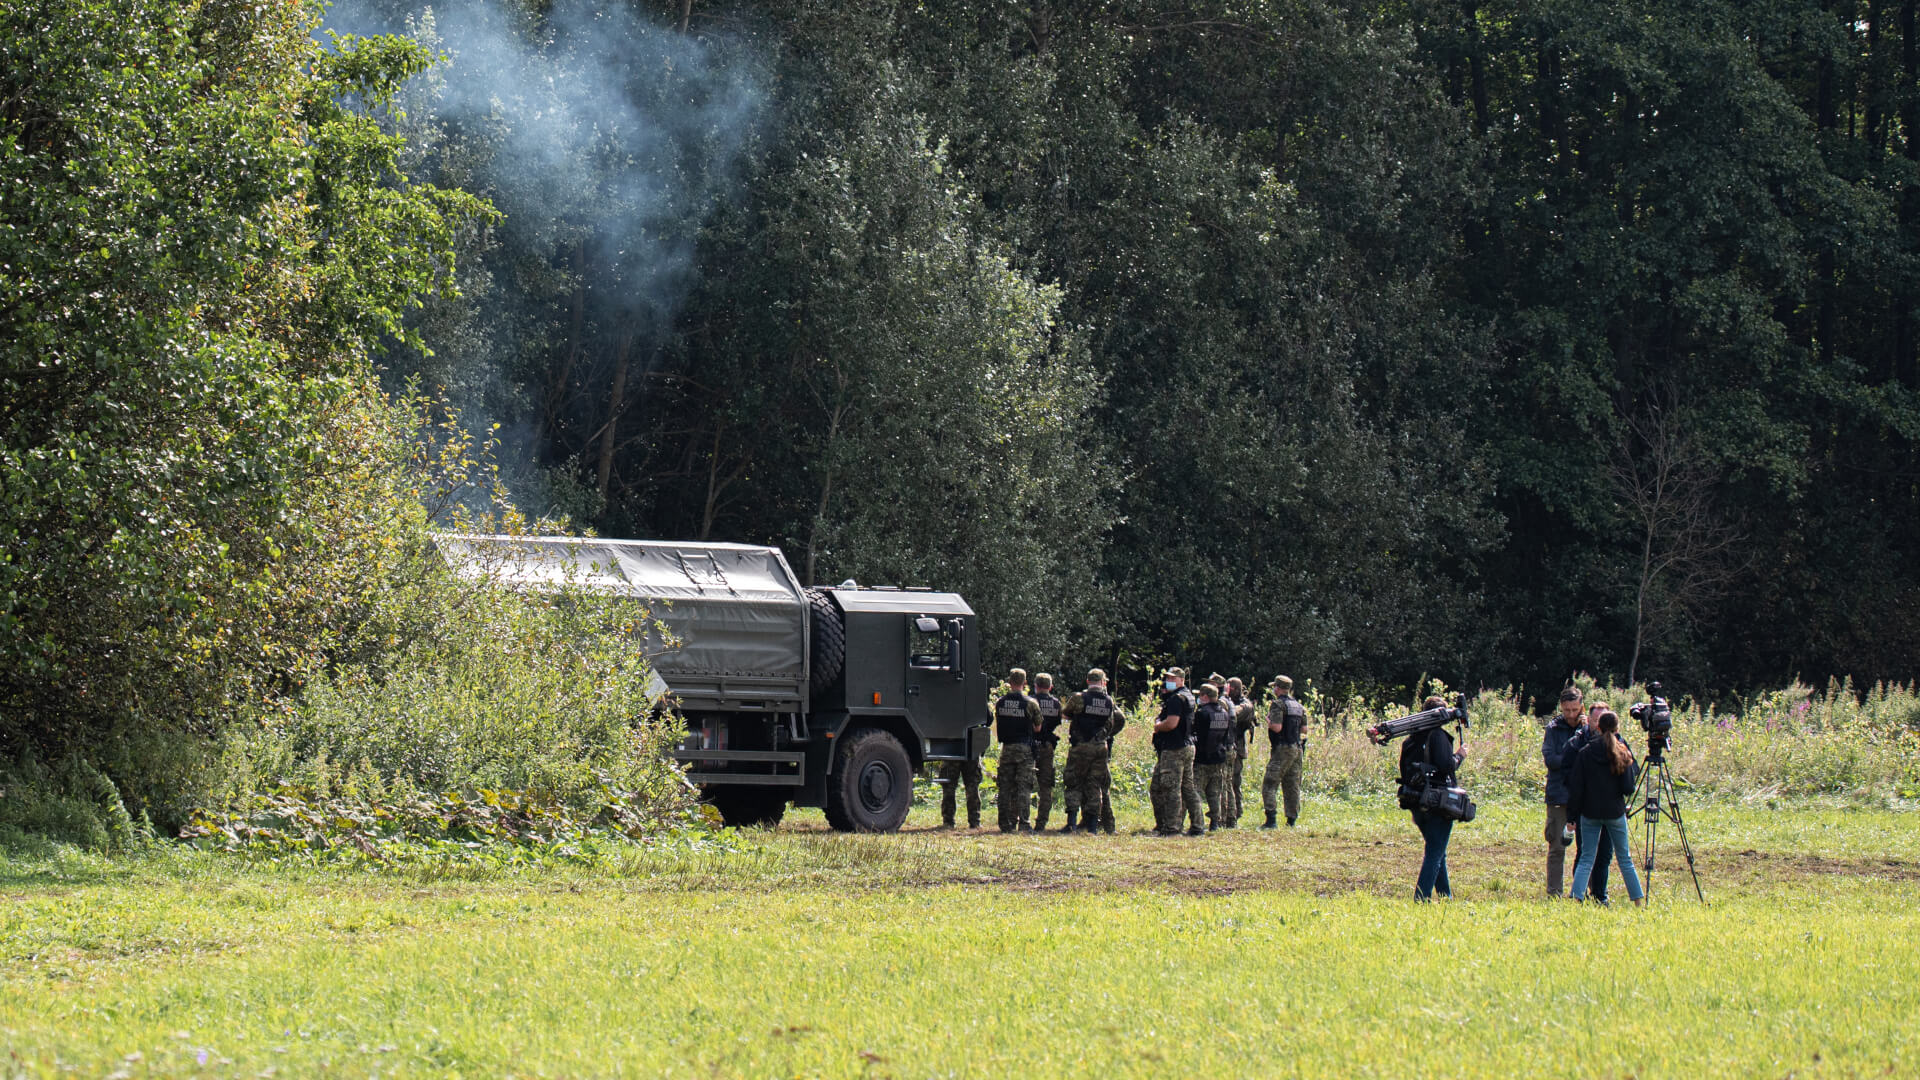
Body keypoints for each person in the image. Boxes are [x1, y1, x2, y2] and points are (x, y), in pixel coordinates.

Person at [1566, 709, 1646, 906]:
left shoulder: (1585, 753)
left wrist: (1572, 816)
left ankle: (1576, 898)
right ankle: (1637, 900)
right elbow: (1628, 787)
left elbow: (1576, 788)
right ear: (1617, 728)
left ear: (1598, 728)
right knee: (1624, 858)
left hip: (1590, 813)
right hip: (1614, 813)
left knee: (1586, 858)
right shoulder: (1622, 752)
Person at [1401, 695, 1465, 899]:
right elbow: (1447, 766)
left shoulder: (1410, 740)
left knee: (1438, 851)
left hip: (1415, 802)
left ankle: (1446, 897)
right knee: (1435, 853)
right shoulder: (1438, 736)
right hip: (1438, 803)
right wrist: (1460, 755)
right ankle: (1422, 897)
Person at [1564, 702, 1615, 902]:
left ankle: (1600, 895)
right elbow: (1567, 772)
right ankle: (1578, 894)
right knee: (1585, 854)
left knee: (1604, 855)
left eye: (1603, 719)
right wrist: (1573, 813)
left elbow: (1632, 772)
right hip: (1587, 810)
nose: (1599, 723)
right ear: (1590, 720)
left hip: (1610, 810)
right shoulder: (1578, 744)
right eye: (1596, 719)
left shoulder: (1618, 744)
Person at [1061, 668, 1123, 833]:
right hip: (1100, 747)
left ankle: (1072, 824)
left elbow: (1066, 714)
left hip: (1080, 746)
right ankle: (1093, 827)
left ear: (1088, 681)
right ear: (1103, 682)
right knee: (1095, 785)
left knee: (1074, 782)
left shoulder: (1079, 698)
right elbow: (1112, 722)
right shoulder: (1109, 700)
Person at [1150, 667, 1205, 836]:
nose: (1169, 681)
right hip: (1187, 745)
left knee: (1170, 788)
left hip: (1174, 747)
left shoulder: (1176, 699)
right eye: (1167, 678)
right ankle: (1197, 825)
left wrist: (1157, 726)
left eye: (1173, 679)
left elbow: (1172, 723)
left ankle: (1171, 828)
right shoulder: (1188, 696)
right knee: (1188, 787)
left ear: (1181, 680)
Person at [1541, 686, 1585, 897]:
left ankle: (1580, 891)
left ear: (1581, 707)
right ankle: (1554, 893)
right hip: (1558, 794)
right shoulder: (1553, 728)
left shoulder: (1589, 728)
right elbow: (1550, 760)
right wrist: (1575, 759)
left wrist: (1566, 759)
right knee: (1557, 847)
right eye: (1566, 710)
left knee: (1586, 849)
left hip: (1584, 795)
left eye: (1574, 709)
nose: (1570, 714)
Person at [993, 669, 1043, 832]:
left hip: (1006, 748)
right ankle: (1024, 824)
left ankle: (1004, 824)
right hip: (1024, 749)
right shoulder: (1030, 703)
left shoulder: (1000, 702)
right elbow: (1037, 727)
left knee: (1005, 787)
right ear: (1025, 683)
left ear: (1009, 682)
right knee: (1024, 787)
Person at [1261, 676, 1307, 829]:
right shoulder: (1298, 706)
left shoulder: (1278, 704)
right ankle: (1291, 820)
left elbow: (1277, 727)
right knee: (1292, 784)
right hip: (1297, 748)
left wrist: (1268, 721)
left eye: (1275, 687)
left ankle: (1271, 819)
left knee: (1270, 782)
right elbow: (1304, 730)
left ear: (1278, 688)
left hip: (1282, 747)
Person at [1193, 683, 1236, 830]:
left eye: (1200, 695)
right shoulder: (1224, 712)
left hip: (1203, 758)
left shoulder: (1201, 713)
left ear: (1205, 696)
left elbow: (1196, 733)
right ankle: (1215, 823)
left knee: (1196, 791)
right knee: (1214, 792)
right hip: (1219, 756)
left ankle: (1197, 824)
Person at [1030, 673, 1063, 830]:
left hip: (1029, 744)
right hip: (1047, 746)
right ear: (1050, 687)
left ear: (1035, 685)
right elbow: (1057, 722)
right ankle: (1041, 823)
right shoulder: (1056, 704)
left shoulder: (1030, 701)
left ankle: (1017, 819)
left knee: (1022, 782)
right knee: (1046, 785)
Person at [1225, 677, 1253, 827]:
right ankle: (1227, 813)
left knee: (1234, 782)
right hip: (1228, 745)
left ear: (1234, 689)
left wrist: (1222, 701)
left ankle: (1235, 813)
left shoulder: (1245, 705)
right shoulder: (1231, 702)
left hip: (1238, 747)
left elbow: (1233, 713)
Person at [937, 756, 982, 830]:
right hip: (968, 753)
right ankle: (975, 821)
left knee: (950, 788)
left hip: (952, 753)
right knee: (971, 788)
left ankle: (948, 821)